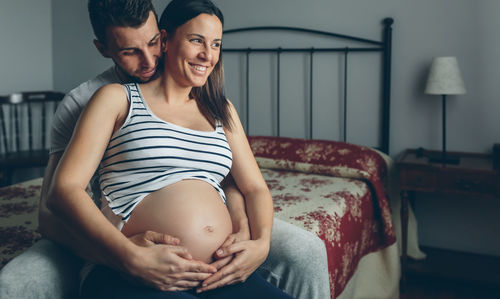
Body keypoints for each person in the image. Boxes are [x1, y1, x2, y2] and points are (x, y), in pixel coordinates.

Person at [0, 0, 330, 298]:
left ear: (161, 36)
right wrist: (126, 254)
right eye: (197, 40)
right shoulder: (105, 98)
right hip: (131, 254)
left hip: (216, 268)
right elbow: (59, 198)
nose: (149, 59)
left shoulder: (218, 107)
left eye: (215, 44)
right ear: (104, 49)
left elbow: (244, 183)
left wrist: (257, 240)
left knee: (305, 251)